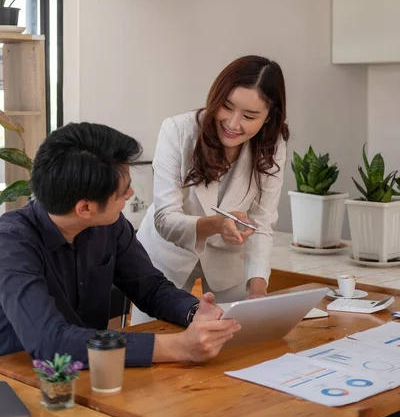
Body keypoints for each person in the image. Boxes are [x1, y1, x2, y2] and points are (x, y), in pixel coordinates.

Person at [0, 123, 240, 367]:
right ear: (85, 208)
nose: (131, 193)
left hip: (96, 373)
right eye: (123, 191)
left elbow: (150, 287)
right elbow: (51, 341)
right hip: (22, 380)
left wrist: (194, 311)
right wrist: (179, 346)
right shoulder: (10, 243)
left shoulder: (109, 225)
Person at [137, 55, 289, 311]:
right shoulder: (178, 131)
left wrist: (258, 289)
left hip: (227, 264)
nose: (232, 124)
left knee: (237, 342)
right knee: (156, 342)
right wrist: (216, 225)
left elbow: (262, 224)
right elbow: (165, 219)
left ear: (269, 117)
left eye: (249, 116)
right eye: (227, 107)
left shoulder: (272, 144)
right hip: (166, 258)